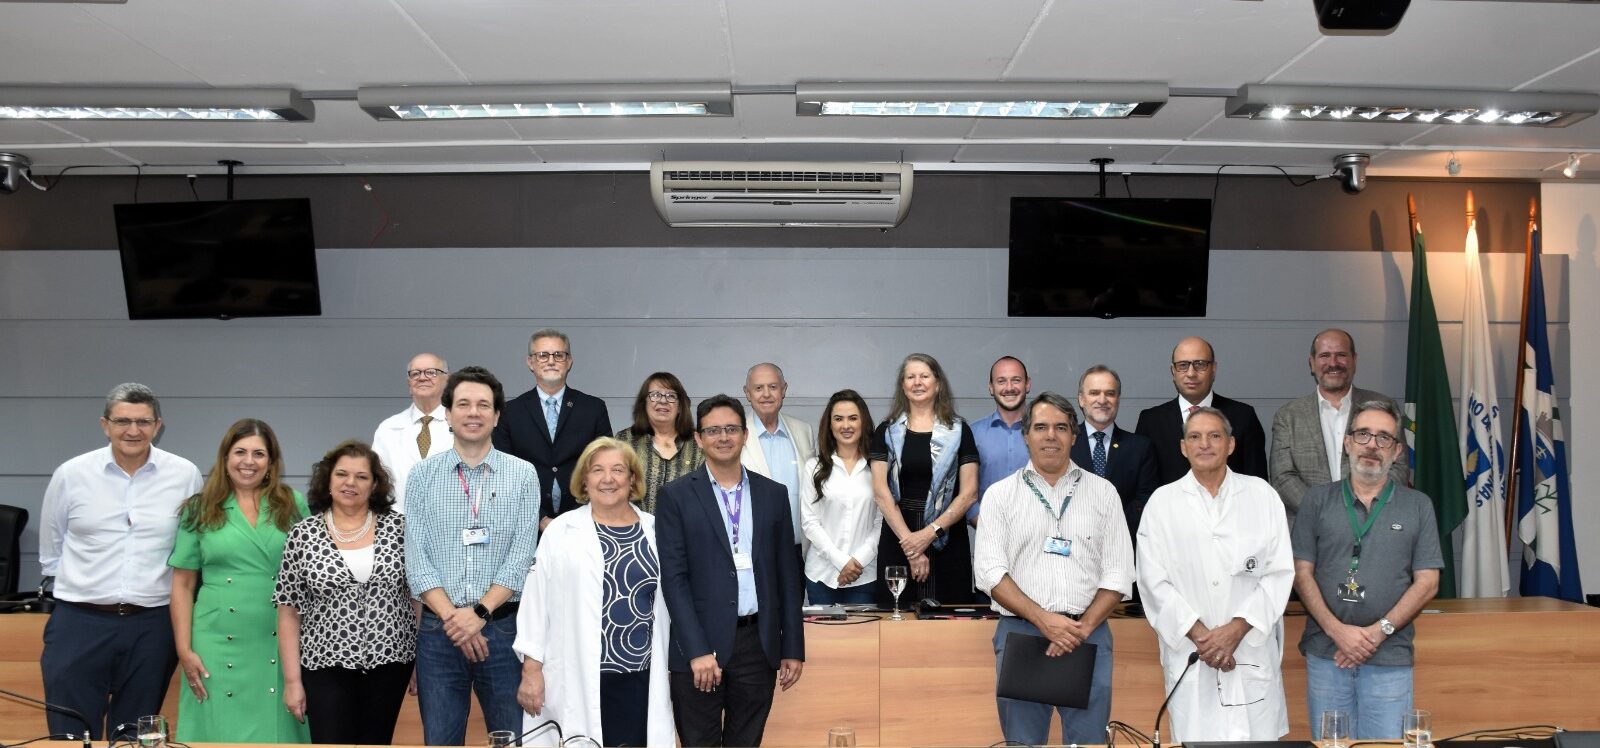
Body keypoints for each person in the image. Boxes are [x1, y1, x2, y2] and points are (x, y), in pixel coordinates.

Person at [38, 383, 203, 740]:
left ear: (158, 425)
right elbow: (52, 551)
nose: (133, 430)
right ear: (104, 425)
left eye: (143, 422)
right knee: (70, 732)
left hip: (152, 625)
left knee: (136, 733)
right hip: (79, 623)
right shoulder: (71, 474)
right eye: (123, 421)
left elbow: (191, 548)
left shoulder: (185, 475)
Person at [973, 392, 1133, 745]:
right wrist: (1044, 621)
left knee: (1088, 744)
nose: (1051, 436)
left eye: (1061, 427)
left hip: (1088, 636)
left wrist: (1079, 628)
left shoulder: (1104, 493)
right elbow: (989, 573)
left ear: (1074, 436)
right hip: (1022, 636)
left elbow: (1119, 573)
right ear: (1025, 435)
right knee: (1024, 744)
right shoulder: (1000, 496)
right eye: (1041, 427)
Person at [656, 394, 805, 747]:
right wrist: (696, 650)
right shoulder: (675, 497)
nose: (723, 437)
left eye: (731, 429)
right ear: (698, 437)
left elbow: (788, 574)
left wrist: (793, 647)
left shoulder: (773, 494)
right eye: (713, 430)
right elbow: (674, 580)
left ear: (745, 434)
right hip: (699, 645)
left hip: (758, 644)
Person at [1137, 407, 1293, 741]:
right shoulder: (1161, 504)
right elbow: (1153, 583)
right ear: (1183, 447)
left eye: (1215, 436)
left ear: (1231, 444)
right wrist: (1201, 636)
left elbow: (1279, 573)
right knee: (1196, 737)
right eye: (1195, 436)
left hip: (1249, 650)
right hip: (1192, 655)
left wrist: (1236, 630)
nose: (1204, 444)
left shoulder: (1262, 496)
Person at [407, 366, 543, 746]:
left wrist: (479, 614)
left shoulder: (523, 475)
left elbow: (520, 559)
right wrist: (457, 620)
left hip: (501, 629)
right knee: (441, 741)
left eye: (484, 405)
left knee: (509, 740)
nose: (473, 412)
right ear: (447, 414)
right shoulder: (422, 476)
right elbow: (417, 562)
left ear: (497, 416)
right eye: (463, 404)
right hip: (439, 633)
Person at [1293, 400, 1442, 740]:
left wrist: (1377, 633)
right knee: (1331, 746)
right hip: (1326, 652)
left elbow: (1428, 582)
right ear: (1347, 443)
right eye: (1363, 435)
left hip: (1389, 655)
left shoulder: (1418, 505)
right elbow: (1302, 572)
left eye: (1383, 438)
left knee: (1386, 747)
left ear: (1397, 450)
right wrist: (1337, 632)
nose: (1372, 446)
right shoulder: (1317, 501)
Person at [515, 437, 674, 747]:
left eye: (618, 470)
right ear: (584, 481)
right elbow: (535, 605)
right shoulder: (560, 531)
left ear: (632, 479)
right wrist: (531, 670)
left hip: (642, 676)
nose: (608, 478)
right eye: (597, 470)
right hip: (578, 673)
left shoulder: (656, 530)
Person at [169, 418, 310, 743]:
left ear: (271, 462)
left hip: (278, 638)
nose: (249, 462)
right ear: (225, 458)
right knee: (219, 728)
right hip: (216, 642)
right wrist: (184, 649)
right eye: (240, 452)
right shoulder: (199, 509)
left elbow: (309, 574)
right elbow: (183, 585)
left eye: (259, 454)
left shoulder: (291, 504)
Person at [275, 440, 417, 745]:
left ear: (375, 484)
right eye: (341, 474)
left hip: (390, 663)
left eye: (362, 476)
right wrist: (292, 682)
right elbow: (288, 612)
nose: (350, 483)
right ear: (328, 480)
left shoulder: (400, 528)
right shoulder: (303, 534)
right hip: (325, 666)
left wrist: (419, 658)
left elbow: (416, 596)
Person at [870, 353, 980, 607]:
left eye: (924, 376)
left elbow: (969, 493)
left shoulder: (960, 431)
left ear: (938, 384)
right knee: (897, 620)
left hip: (947, 537)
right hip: (899, 534)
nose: (917, 382)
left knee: (950, 622)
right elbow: (880, 492)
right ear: (903, 386)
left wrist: (929, 534)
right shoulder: (886, 431)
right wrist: (911, 545)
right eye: (910, 377)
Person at [1271, 329, 1408, 529]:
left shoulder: (1383, 406)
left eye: (1341, 355)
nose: (1333, 363)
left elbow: (1399, 468)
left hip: (1372, 527)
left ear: (1354, 360)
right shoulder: (1288, 415)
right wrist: (1326, 514)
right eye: (1325, 355)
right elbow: (1282, 477)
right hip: (1308, 532)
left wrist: (1361, 509)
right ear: (1312, 362)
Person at [493, 329, 613, 530]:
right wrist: (539, 519)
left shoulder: (593, 408)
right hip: (526, 525)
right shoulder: (509, 412)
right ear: (530, 362)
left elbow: (604, 465)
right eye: (543, 355)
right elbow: (505, 474)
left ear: (570, 362)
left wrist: (579, 516)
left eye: (559, 355)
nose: (551, 361)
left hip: (585, 521)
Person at [1136, 336, 1269, 484]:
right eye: (1183, 365)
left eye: (1200, 364)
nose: (1191, 373)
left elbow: (1257, 483)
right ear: (1173, 371)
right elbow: (1143, 486)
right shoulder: (1150, 421)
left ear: (1213, 369)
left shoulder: (1243, 416)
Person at [799, 390, 882, 605]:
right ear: (829, 425)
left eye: (853, 418)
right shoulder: (814, 467)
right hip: (821, 576)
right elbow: (810, 523)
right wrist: (841, 561)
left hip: (864, 575)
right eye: (838, 419)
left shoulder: (878, 468)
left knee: (863, 639)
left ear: (863, 422)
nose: (846, 425)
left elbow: (882, 522)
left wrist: (857, 561)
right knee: (825, 639)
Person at [1072, 365, 1160, 539]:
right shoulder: (1065, 445)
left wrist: (1112, 527)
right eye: (1094, 393)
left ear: (1118, 399)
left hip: (1124, 543)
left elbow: (1147, 501)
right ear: (1081, 399)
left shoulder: (1140, 447)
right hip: (1074, 546)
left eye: (1110, 393)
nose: (1102, 400)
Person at [739, 363, 816, 557]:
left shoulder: (803, 430)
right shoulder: (735, 435)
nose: (766, 394)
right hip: (753, 552)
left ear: (784, 390)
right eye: (758, 388)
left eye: (773, 387)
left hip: (798, 551)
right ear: (747, 393)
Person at [372, 352, 454, 513]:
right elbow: (374, 481)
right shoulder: (388, 428)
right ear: (409, 382)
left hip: (450, 524)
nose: (422, 378)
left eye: (431, 372)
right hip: (398, 526)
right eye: (415, 373)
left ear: (447, 380)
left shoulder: (462, 426)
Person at [615, 371, 704, 512]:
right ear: (644, 403)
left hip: (687, 530)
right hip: (635, 529)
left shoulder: (698, 443)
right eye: (655, 395)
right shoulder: (624, 441)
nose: (663, 401)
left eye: (671, 396)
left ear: (680, 406)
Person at [969, 356, 1031, 527]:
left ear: (1028, 384)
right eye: (1001, 381)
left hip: (1038, 536)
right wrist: (984, 525)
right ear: (991, 387)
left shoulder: (1045, 432)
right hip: (988, 533)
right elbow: (964, 488)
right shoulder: (972, 434)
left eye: (1016, 380)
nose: (1009, 388)